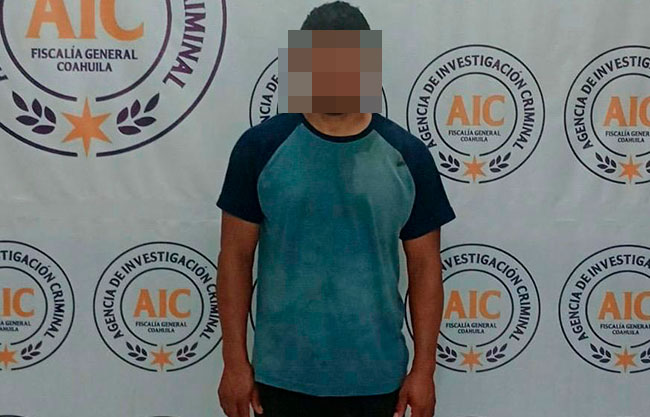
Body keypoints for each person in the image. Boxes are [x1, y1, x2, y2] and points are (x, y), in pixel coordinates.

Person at [216, 2, 456, 416]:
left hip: (377, 379)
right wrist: (234, 362)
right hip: (282, 378)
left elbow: (425, 268)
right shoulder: (259, 149)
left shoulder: (408, 157)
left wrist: (424, 370)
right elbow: (235, 258)